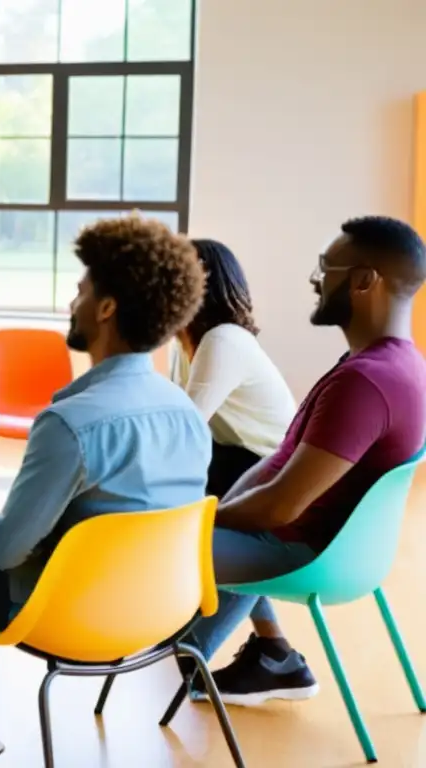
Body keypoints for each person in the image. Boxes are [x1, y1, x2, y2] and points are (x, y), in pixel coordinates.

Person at [0, 216, 212, 767]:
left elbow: (5, 553)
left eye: (82, 290)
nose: (71, 301)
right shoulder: (187, 413)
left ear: (107, 309)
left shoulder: (71, 423)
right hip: (163, 615)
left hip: (71, 618)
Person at [183, 215, 426, 707]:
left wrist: (200, 519)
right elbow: (281, 468)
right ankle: (211, 647)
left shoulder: (365, 382)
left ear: (363, 280)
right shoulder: (397, 365)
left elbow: (279, 509)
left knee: (125, 542)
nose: (315, 280)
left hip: (297, 551)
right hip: (331, 549)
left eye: (324, 268)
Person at [168, 238, 296, 498]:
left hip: (264, 467)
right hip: (232, 456)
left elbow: (185, 428)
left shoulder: (223, 340)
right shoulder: (184, 343)